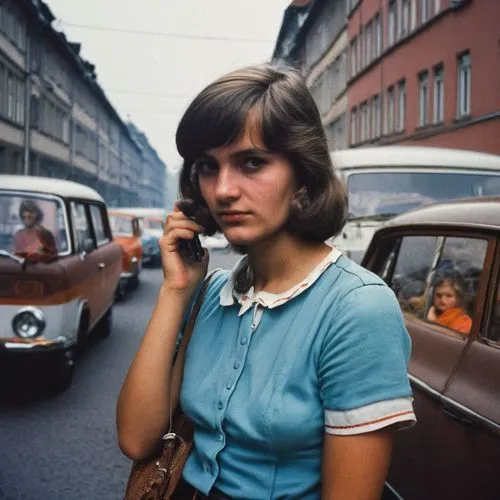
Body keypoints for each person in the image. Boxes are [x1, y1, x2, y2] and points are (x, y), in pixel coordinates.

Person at [117, 64, 416, 500]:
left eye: (251, 162)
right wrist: (175, 290)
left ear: (303, 177)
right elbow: (136, 439)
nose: (222, 190)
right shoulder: (209, 292)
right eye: (207, 167)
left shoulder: (356, 308)